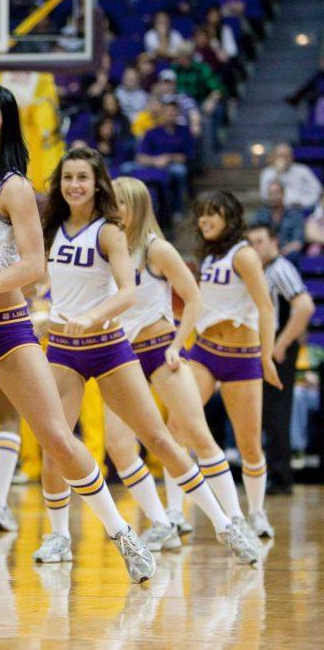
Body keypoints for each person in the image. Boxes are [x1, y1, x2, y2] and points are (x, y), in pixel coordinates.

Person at [0, 85, 154, 585]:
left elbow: (32, 264)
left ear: (6, 124)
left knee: (57, 439)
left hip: (5, 329)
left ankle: (121, 533)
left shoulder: (15, 187)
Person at [91, 177, 260, 559]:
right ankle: (162, 522)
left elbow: (194, 300)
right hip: (120, 355)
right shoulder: (105, 248)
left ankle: (233, 522)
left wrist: (176, 344)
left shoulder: (157, 249)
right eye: (109, 202)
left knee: (196, 436)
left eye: (119, 202)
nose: (112, 209)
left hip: (159, 351)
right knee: (118, 446)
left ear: (137, 206)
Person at [188, 191, 282, 539]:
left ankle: (256, 513)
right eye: (201, 214)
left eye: (213, 214)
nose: (204, 220)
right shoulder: (209, 256)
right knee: (177, 428)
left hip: (242, 359)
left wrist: (266, 357)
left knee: (249, 444)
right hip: (204, 352)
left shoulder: (243, 256)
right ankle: (174, 513)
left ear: (230, 217)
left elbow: (266, 308)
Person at [246, 224, 313, 496]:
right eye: (250, 242)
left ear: (274, 242)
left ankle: (281, 477)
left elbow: (305, 306)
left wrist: (281, 345)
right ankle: (272, 473)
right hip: (267, 346)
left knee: (276, 413)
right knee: (266, 413)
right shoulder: (261, 271)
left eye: (260, 241)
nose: (255, 247)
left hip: (278, 349)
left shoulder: (280, 268)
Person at [259, 143, 322, 211]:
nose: (284, 159)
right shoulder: (267, 173)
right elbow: (265, 196)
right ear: (274, 157)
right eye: (280, 156)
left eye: (286, 156)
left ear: (292, 157)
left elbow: (317, 189)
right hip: (277, 211)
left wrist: (303, 203)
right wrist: (278, 174)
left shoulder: (302, 170)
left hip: (301, 209)